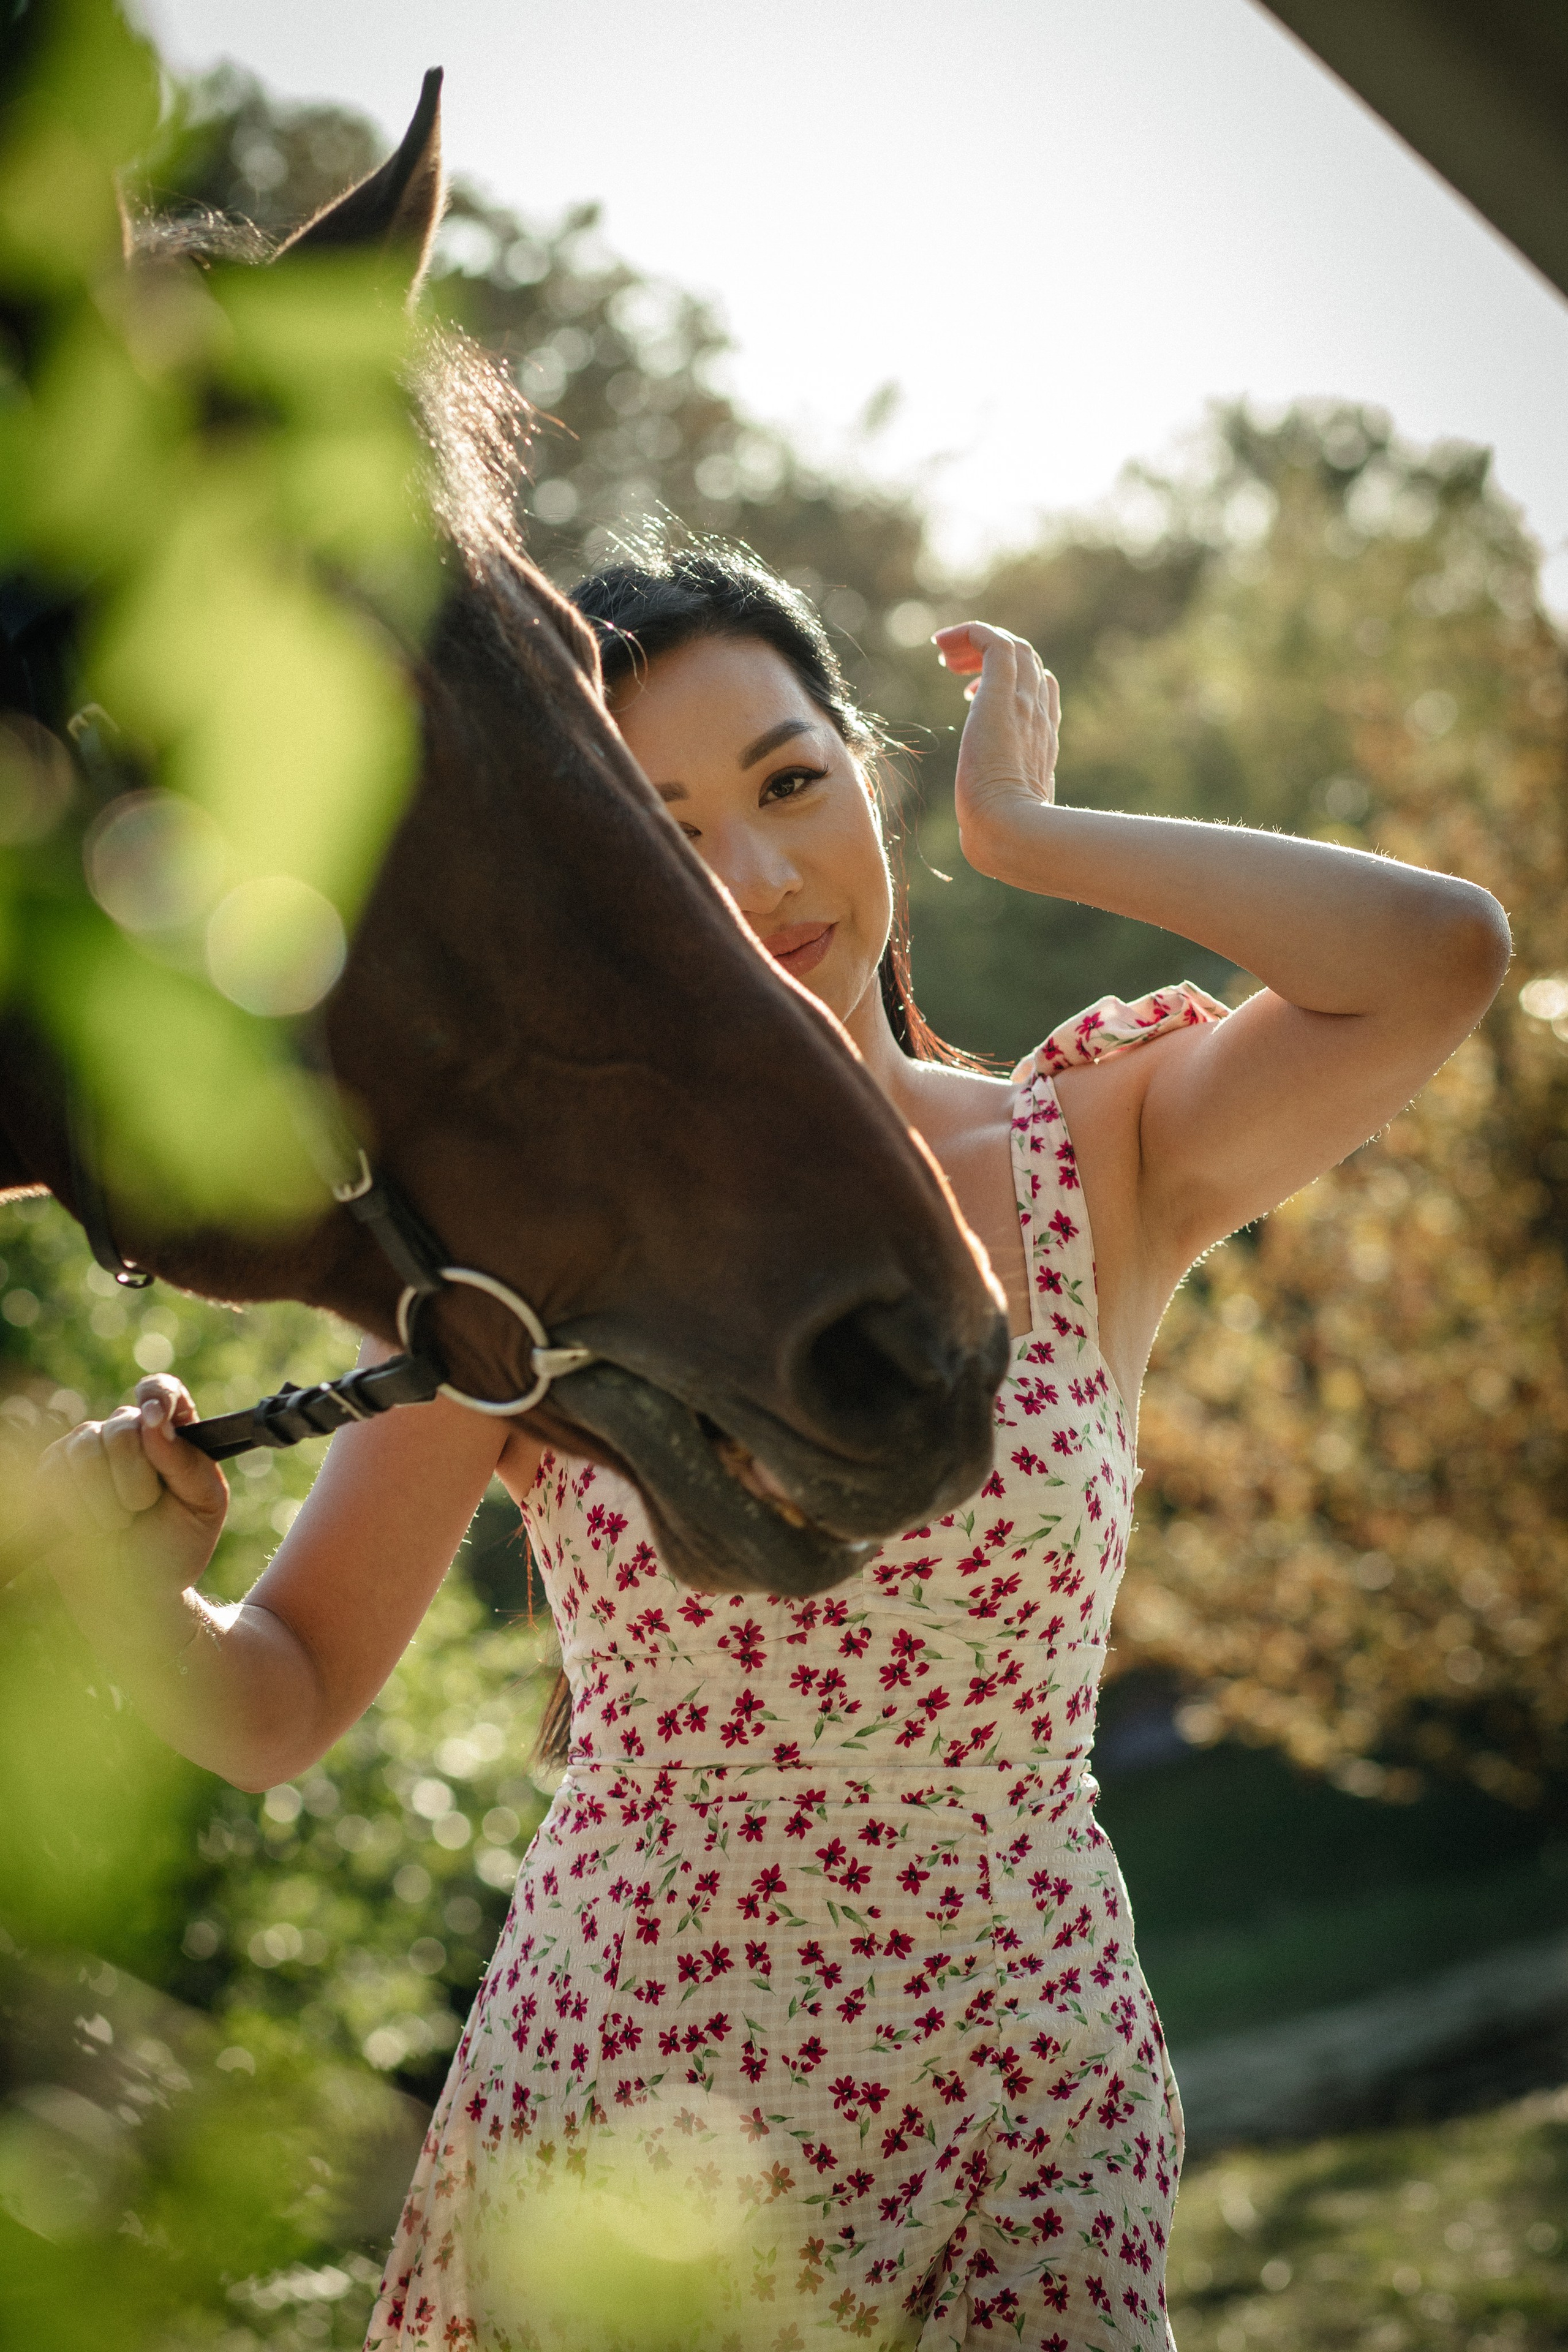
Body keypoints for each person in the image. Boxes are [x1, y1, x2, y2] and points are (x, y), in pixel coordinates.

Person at [40, 546, 1509, 2350]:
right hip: (639, 2125)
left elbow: (1442, 959)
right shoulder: (530, 1257)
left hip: (1029, 2095)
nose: (758, 878)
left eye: (791, 784)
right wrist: (131, 1594)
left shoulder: (1094, 1155)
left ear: (866, 774)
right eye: (668, 838)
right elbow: (277, 1699)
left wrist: (1034, 833)